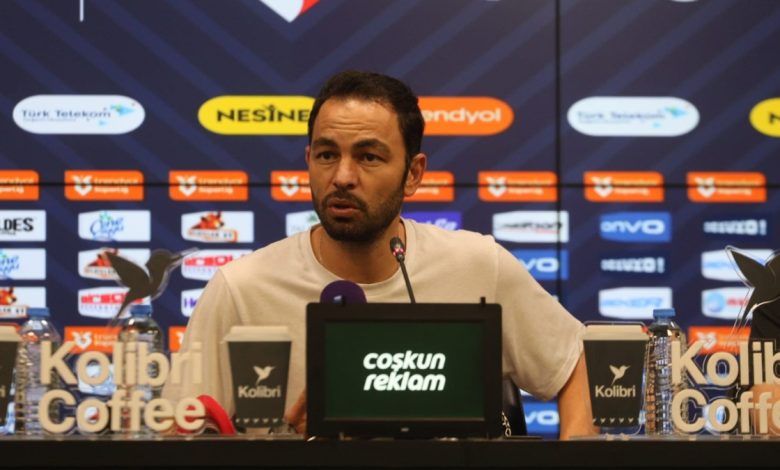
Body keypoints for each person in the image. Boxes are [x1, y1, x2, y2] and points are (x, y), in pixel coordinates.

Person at [163, 70, 595, 439]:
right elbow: (179, 433)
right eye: (326, 155)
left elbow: (579, 364)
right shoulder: (241, 288)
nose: (342, 177)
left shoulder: (478, 265)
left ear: (413, 173)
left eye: (368, 157)